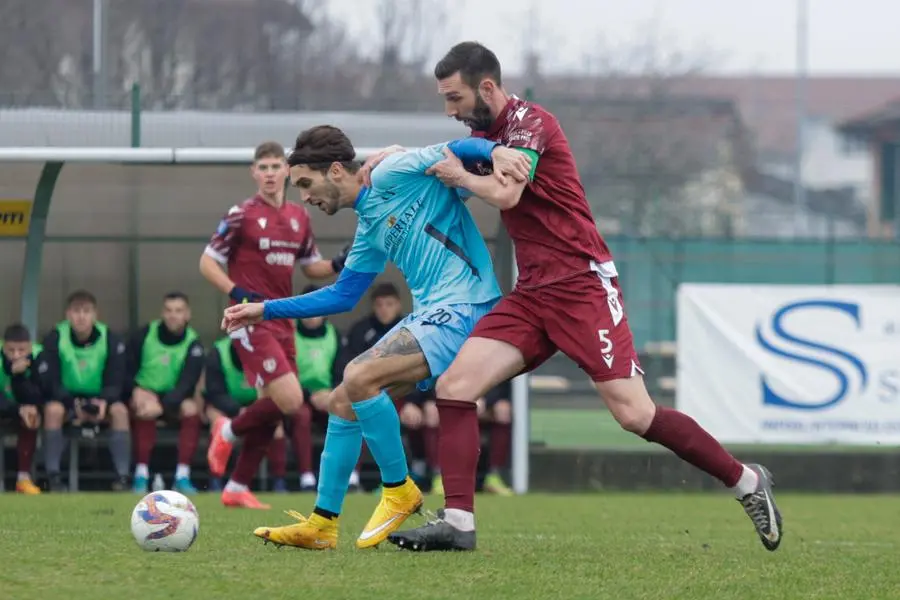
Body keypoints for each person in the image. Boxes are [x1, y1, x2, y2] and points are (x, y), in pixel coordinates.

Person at [385, 42, 782, 553]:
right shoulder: (485, 136)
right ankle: (459, 523)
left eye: (455, 97)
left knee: (634, 415)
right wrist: (400, 161)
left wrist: (458, 174)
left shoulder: (531, 123)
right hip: (532, 294)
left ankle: (747, 482)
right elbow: (450, 171)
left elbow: (505, 194)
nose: (450, 110)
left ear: (487, 87)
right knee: (457, 385)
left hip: (581, 286)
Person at [222, 124, 531, 549]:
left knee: (358, 374)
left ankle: (399, 489)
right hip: (435, 313)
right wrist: (265, 309)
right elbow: (345, 295)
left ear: (335, 171)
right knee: (343, 399)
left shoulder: (391, 171)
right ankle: (322, 524)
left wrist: (495, 152)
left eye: (306, 184)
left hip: (467, 305)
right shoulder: (368, 225)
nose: (304, 198)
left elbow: (453, 147)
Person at [199, 140, 347, 509]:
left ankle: (236, 487)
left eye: (275, 166)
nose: (268, 174)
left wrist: (337, 265)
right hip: (249, 319)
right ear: (254, 173)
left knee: (275, 405)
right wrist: (238, 293)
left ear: (286, 171)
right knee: (292, 399)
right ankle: (227, 429)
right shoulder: (241, 214)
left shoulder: (299, 216)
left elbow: (309, 266)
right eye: (262, 167)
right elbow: (206, 263)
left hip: (281, 320)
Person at [40, 290, 130, 492]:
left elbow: (117, 377)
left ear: (95, 314)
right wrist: (72, 404)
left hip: (101, 398)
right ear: (67, 314)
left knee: (120, 412)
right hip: (65, 399)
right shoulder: (55, 337)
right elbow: (50, 380)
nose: (81, 316)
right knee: (52, 411)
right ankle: (53, 477)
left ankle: (122, 477)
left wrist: (105, 400)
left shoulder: (110, 338)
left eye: (86, 311)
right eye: (76, 311)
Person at [345, 282, 430, 487]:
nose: (384, 309)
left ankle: (423, 470)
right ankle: (353, 477)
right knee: (363, 413)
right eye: (380, 304)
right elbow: (346, 368)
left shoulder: (411, 330)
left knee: (423, 413)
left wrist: (413, 401)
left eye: (389, 304)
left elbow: (424, 368)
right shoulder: (360, 330)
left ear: (399, 305)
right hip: (368, 396)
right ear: (373, 306)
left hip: (402, 395)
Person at [126, 291, 205, 495]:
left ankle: (182, 475)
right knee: (143, 406)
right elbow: (125, 370)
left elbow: (187, 384)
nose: (173, 315)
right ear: (162, 313)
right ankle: (141, 474)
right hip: (146, 393)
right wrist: (135, 391)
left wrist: (161, 406)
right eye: (168, 310)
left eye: (178, 311)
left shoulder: (194, 344)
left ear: (187, 314)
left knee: (191, 408)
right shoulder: (144, 335)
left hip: (174, 399)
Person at [200, 335, 290, 492]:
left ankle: (278, 482)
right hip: (226, 405)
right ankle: (215, 479)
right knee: (216, 418)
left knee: (276, 422)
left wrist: (253, 412)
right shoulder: (218, 351)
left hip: (255, 404)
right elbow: (214, 392)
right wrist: (238, 411)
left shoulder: (265, 350)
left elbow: (269, 390)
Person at [291, 284, 347, 492]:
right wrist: (307, 395)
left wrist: (332, 393)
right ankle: (306, 476)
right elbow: (285, 371)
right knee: (301, 416)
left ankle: (346, 476)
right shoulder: (289, 334)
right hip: (298, 396)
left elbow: (342, 370)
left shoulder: (335, 335)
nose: (312, 313)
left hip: (328, 396)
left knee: (349, 412)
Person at [424, 380, 513, 497]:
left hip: (484, 402)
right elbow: (436, 380)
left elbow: (500, 381)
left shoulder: (489, 362)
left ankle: (493, 476)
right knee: (431, 411)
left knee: (503, 409)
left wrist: (485, 399)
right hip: (449, 398)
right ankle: (438, 477)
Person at [0, 324, 44, 494]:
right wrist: (17, 409)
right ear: (3, 347)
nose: (16, 355)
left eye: (21, 350)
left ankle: (23, 479)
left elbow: (38, 395)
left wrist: (18, 376)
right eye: (11, 350)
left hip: (24, 411)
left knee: (33, 415)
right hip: (8, 407)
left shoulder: (40, 357)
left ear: (30, 348)